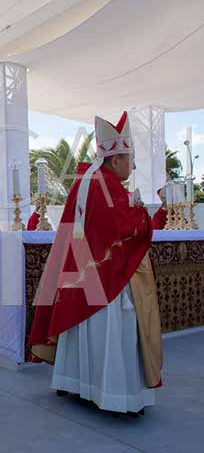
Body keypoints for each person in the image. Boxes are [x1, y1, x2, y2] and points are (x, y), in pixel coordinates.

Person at [29, 112, 163, 417]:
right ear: (115, 160)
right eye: (130, 160)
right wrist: (142, 214)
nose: (133, 166)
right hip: (105, 280)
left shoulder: (86, 179)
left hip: (81, 272)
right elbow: (123, 229)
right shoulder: (108, 185)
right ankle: (114, 396)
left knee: (82, 330)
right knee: (112, 332)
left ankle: (76, 383)